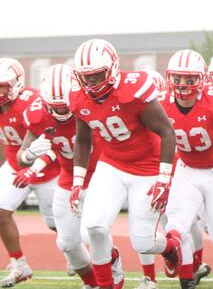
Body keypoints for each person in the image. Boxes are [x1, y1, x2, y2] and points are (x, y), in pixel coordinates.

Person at [69, 39, 179, 289]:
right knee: (94, 228)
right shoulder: (77, 96)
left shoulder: (134, 90)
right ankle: (108, 283)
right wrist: (78, 182)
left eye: (97, 75)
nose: (92, 82)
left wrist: (164, 178)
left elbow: (167, 132)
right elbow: (83, 141)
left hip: (148, 168)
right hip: (112, 165)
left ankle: (171, 247)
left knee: (143, 242)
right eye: (86, 77)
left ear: (112, 69)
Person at [160, 49, 213, 289]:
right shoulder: (162, 101)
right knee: (176, 225)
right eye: (177, 79)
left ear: (203, 79)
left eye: (189, 80)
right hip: (187, 169)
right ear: (169, 79)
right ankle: (176, 262)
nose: (183, 85)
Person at [0, 58, 55, 287]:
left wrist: (34, 169)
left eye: (3, 86)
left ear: (17, 83)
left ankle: (84, 257)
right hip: (15, 165)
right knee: (1, 212)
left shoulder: (32, 102)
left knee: (58, 226)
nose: (0, 91)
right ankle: (20, 264)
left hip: (49, 169)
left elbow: (51, 140)